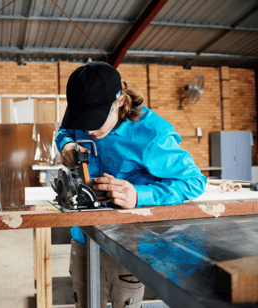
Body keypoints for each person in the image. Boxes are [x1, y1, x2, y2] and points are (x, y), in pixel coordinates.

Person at [55, 61, 207, 308]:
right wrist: (67, 145)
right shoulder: (82, 115)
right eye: (84, 121)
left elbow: (194, 182)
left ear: (120, 102)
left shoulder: (152, 135)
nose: (89, 130)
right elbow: (64, 131)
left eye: (96, 120)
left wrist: (139, 194)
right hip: (82, 237)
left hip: (127, 246)